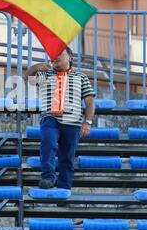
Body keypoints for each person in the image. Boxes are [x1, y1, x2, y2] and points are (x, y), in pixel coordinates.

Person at [25, 47, 95, 190]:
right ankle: (48, 177)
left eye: (59, 54)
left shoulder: (81, 77)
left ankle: (64, 189)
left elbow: (89, 101)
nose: (55, 56)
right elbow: (26, 77)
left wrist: (87, 122)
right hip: (50, 119)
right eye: (53, 54)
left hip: (73, 122)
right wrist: (37, 67)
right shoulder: (45, 74)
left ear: (70, 57)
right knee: (48, 144)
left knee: (67, 158)